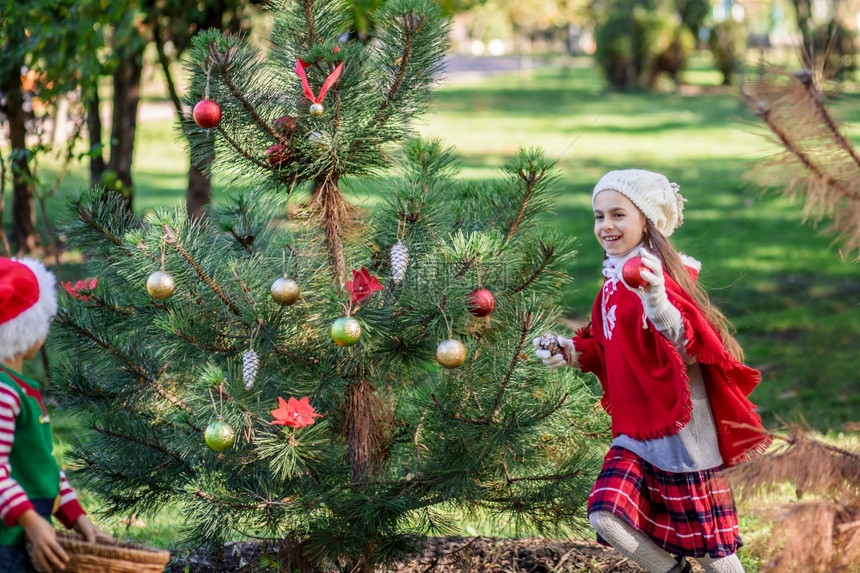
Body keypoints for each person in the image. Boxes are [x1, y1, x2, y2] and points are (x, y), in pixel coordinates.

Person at [534, 169, 771, 573]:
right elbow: (608, 347)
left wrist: (656, 298)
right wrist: (569, 350)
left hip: (682, 434)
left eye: (618, 214)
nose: (606, 225)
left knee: (710, 552)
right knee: (605, 517)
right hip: (636, 431)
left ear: (645, 218)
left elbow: (687, 344)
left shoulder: (662, 276)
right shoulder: (611, 282)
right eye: (598, 216)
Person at [0, 257, 109, 572]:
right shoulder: (5, 394)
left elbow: (40, 466)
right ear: (27, 328)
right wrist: (30, 520)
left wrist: (77, 519)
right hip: (8, 542)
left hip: (27, 536)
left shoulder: (20, 390)